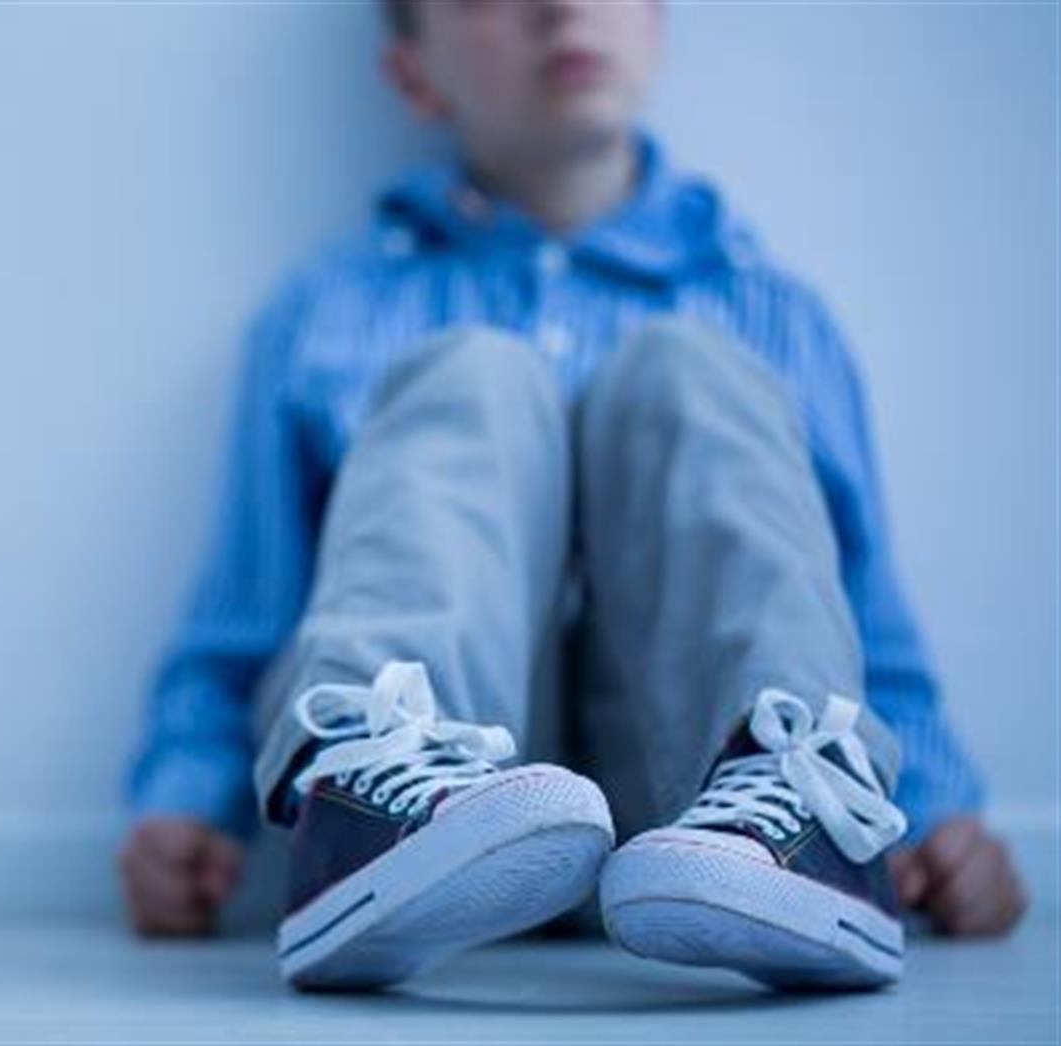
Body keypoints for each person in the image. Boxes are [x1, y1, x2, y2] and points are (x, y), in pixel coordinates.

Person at [117, 0, 1027, 989]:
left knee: (688, 374)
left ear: (655, 24)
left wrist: (937, 813)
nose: (559, 7)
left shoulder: (770, 310)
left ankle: (801, 819)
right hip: (443, 809)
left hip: (701, 799)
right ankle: (369, 815)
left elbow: (853, 604)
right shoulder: (328, 313)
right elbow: (248, 609)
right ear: (414, 75)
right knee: (470, 376)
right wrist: (184, 801)